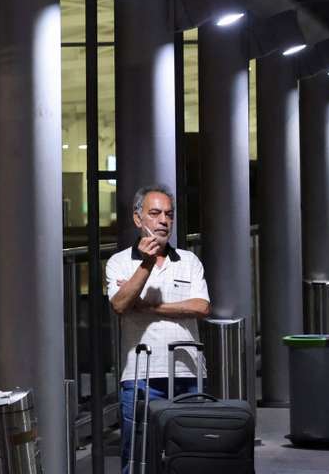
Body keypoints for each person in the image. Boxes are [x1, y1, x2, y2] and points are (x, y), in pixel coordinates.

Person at [106, 184, 211, 474]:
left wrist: (151, 308)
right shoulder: (119, 263)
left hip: (189, 373)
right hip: (141, 374)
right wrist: (146, 265)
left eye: (169, 214)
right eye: (155, 213)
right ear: (138, 219)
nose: (164, 220)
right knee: (138, 458)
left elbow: (202, 307)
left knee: (189, 456)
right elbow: (120, 304)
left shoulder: (189, 261)